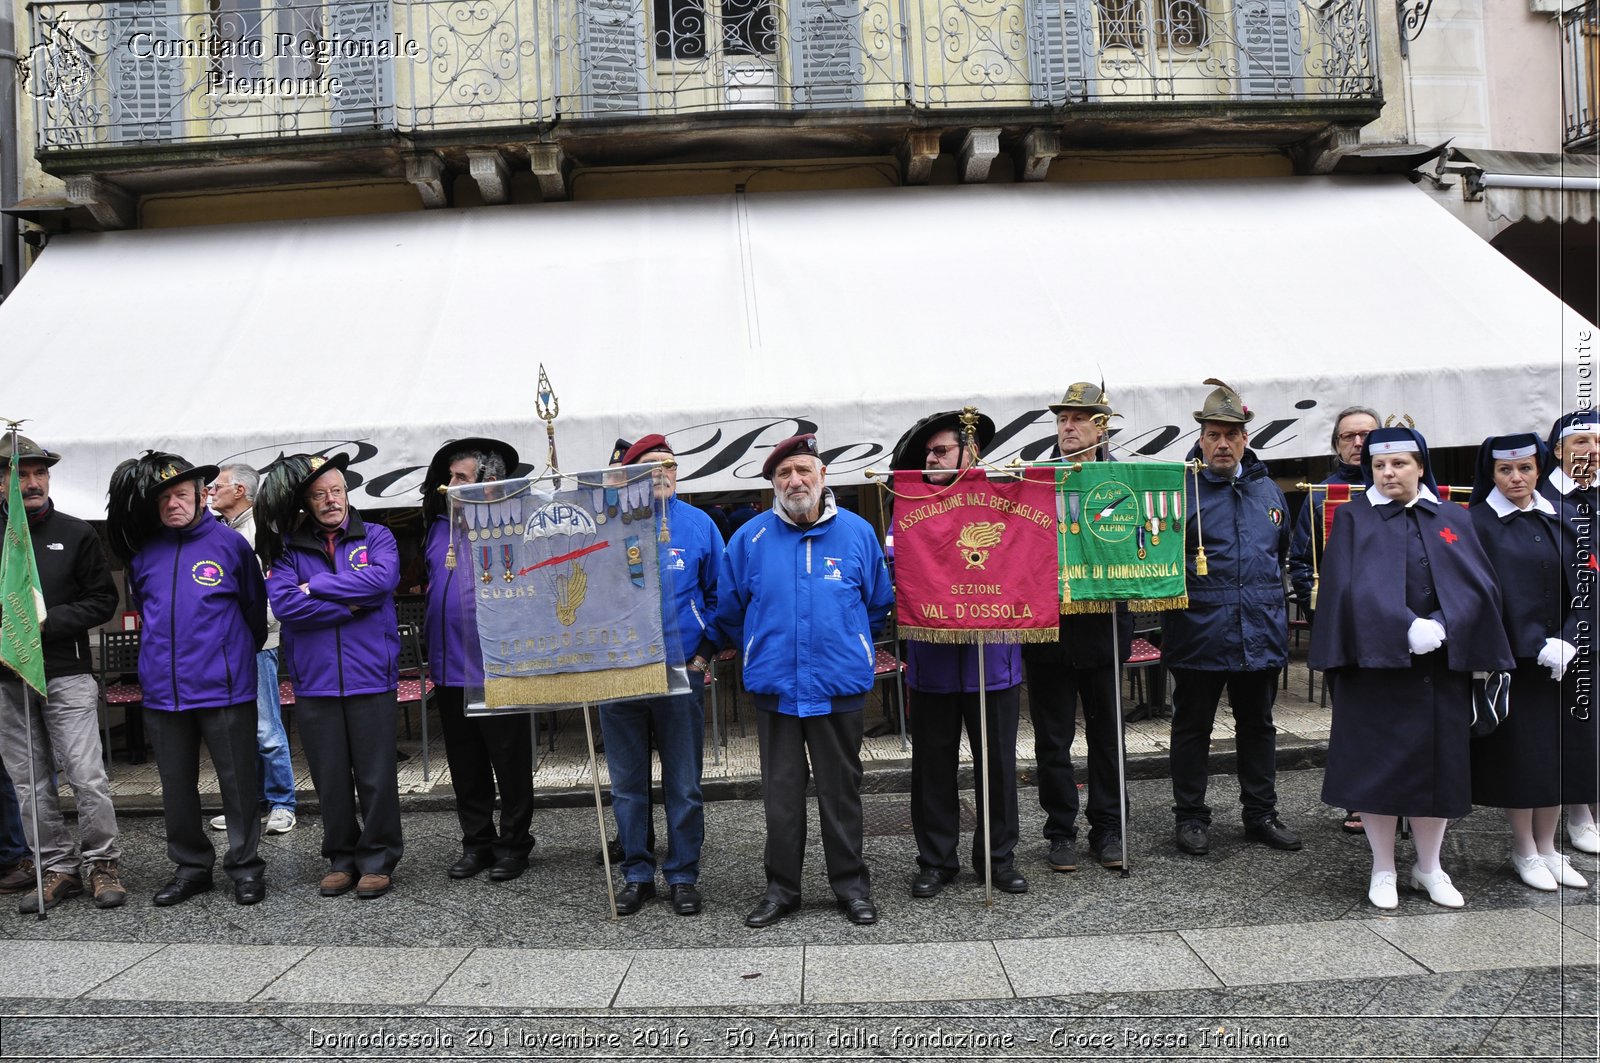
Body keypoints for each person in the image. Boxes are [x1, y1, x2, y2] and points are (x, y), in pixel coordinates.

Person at [1311, 426, 1513, 909]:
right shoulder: (1355, 517)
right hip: (1373, 668)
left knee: (1437, 769)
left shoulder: (1452, 518)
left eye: (1398, 464)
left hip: (1439, 667)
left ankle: (1429, 866)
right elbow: (1346, 589)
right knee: (1378, 770)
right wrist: (1403, 625)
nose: (1387, 473)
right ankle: (1382, 867)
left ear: (1420, 465)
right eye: (1379, 466)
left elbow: (1480, 586)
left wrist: (1445, 623)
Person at [709, 433, 893, 927]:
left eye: (803, 470)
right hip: (777, 687)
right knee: (782, 797)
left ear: (822, 476)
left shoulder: (858, 533)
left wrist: (847, 642)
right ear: (772, 483)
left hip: (838, 685)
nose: (795, 481)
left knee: (841, 792)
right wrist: (761, 645)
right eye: (784, 474)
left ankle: (851, 887)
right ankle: (781, 889)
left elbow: (877, 604)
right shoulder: (749, 539)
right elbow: (730, 609)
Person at [110, 452, 268, 907]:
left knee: (238, 783)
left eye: (181, 494)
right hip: (163, 690)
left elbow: (253, 613)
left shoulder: (231, 545)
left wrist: (230, 656)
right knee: (176, 787)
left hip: (224, 687)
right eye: (164, 498)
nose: (173, 504)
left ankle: (245, 866)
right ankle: (191, 867)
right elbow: (146, 611)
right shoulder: (145, 554)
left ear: (202, 496)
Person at [891, 410, 1026, 897]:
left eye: (941, 450)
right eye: (928, 451)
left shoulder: (1008, 498)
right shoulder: (910, 504)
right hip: (933, 658)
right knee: (933, 764)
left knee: (999, 765)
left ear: (970, 452)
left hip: (994, 659)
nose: (931, 458)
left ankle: (998, 856)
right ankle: (935, 860)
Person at [1162, 380, 1301, 856]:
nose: (1223, 444)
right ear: (1200, 438)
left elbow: (1278, 557)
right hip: (1199, 630)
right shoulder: (1181, 492)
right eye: (1214, 434)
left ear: (1246, 437)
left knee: (1258, 726)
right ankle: (1191, 816)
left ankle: (1261, 813)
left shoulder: (1268, 490)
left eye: (1232, 434)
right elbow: (1162, 563)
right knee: (1192, 727)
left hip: (1258, 630)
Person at [259, 454, 403, 900]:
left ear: (347, 492)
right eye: (320, 494)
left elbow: (382, 582)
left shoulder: (377, 536)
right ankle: (342, 857)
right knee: (330, 776)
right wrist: (349, 602)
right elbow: (286, 606)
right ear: (307, 501)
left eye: (336, 491)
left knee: (377, 776)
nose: (330, 501)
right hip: (315, 680)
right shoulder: (287, 549)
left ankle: (377, 860)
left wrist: (317, 586)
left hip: (371, 675)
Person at [0, 436, 123, 912]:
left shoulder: (75, 533)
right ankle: (55, 867)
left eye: (39, 473)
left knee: (87, 774)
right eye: (19, 474)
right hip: (8, 677)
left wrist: (47, 622)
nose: (31, 483)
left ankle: (101, 863)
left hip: (65, 672)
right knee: (29, 781)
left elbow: (102, 600)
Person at [603, 433, 722, 916]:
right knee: (627, 785)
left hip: (680, 669)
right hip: (619, 672)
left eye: (669, 465)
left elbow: (721, 596)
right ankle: (636, 872)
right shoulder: (606, 527)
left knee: (684, 782)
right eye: (650, 466)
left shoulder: (699, 525)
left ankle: (682, 874)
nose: (662, 473)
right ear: (630, 475)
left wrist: (702, 655)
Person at [1467, 434, 1588, 892]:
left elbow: (1590, 585)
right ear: (1491, 474)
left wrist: (1571, 638)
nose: (1516, 479)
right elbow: (1478, 596)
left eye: (1525, 469)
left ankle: (1549, 846)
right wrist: (1531, 641)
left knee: (1560, 756)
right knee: (1525, 758)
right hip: (1514, 661)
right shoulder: (1476, 524)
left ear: (1539, 469)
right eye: (1504, 471)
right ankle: (1524, 848)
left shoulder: (1566, 515)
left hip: (1565, 660)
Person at [1019, 384, 1132, 872]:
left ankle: (1108, 827)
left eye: (1078, 419)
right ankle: (1060, 831)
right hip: (1049, 629)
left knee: (1108, 738)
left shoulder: (1123, 480)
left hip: (1104, 626)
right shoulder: (1035, 479)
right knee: (1052, 741)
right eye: (1062, 419)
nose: (1067, 426)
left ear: (1101, 425)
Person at [421, 438, 535, 882]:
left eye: (460, 478)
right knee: (465, 765)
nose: (450, 485)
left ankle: (514, 844)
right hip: (450, 668)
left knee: (508, 762)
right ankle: (477, 843)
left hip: (498, 667)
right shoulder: (436, 529)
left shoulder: (515, 527)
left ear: (488, 482)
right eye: (449, 478)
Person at [1288, 405, 1379, 837]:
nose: (1358, 443)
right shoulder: (1321, 493)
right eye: (1349, 436)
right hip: (1345, 626)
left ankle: (1405, 794)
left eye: (1366, 435)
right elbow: (1302, 563)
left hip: (1402, 626)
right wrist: (1319, 615)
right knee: (1353, 715)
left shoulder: (1401, 483)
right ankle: (1360, 799)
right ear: (1336, 444)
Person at [205, 464, 296, 838]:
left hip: (255, 642)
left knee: (265, 726)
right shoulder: (227, 529)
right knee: (241, 727)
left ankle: (281, 803)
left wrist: (259, 633)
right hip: (232, 644)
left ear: (240, 490)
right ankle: (250, 803)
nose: (210, 491)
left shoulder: (257, 531)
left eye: (218, 485)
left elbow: (270, 594)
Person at [1537, 411, 1600, 854]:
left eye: (1597, 442)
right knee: (1576, 728)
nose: (1591, 450)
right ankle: (1579, 814)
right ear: (1557, 450)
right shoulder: (1542, 501)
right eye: (1580, 442)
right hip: (1567, 628)